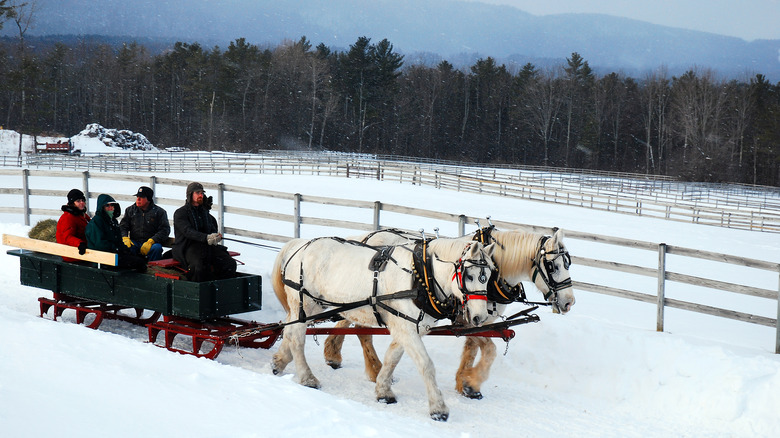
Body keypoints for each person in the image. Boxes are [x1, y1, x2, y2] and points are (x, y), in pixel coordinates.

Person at [172, 182, 236, 281]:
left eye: (202, 193)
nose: (201, 195)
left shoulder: (204, 212)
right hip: (188, 247)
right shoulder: (181, 213)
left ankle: (218, 287)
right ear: (190, 194)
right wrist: (206, 238)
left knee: (229, 263)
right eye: (198, 193)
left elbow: (211, 228)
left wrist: (215, 236)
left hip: (206, 246)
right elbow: (188, 231)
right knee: (198, 266)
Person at [85, 193, 147, 272]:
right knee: (138, 263)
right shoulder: (96, 223)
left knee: (141, 258)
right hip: (103, 259)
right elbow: (100, 244)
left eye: (112, 205)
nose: (111, 208)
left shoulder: (112, 221)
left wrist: (125, 250)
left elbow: (118, 240)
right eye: (107, 206)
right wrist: (117, 249)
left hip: (113, 255)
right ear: (102, 207)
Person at [119, 186, 170, 261]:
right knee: (126, 247)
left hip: (152, 244)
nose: (138, 199)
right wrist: (124, 237)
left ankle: (153, 270)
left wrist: (152, 241)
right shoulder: (130, 210)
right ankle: (131, 269)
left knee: (157, 248)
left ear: (148, 199)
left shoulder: (159, 212)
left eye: (141, 197)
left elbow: (165, 230)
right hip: (135, 242)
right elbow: (123, 226)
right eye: (137, 197)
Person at [56, 188, 91, 262]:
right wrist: (80, 243)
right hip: (72, 253)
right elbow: (67, 237)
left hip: (82, 250)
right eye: (78, 201)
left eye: (83, 200)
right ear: (72, 203)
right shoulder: (68, 217)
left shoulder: (81, 214)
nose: (82, 203)